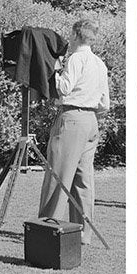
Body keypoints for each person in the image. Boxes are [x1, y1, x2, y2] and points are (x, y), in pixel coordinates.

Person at [37, 18, 110, 245]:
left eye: (71, 34)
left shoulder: (76, 58)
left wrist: (54, 71)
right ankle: (82, 233)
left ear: (77, 34)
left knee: (58, 174)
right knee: (83, 180)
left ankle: (47, 227)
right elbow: (105, 103)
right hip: (91, 121)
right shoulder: (99, 63)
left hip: (72, 118)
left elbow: (64, 88)